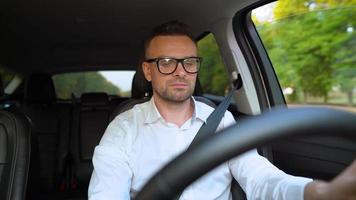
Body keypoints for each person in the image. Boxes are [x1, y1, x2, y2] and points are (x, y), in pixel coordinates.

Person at [88, 21, 356, 200]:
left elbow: (261, 178)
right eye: (167, 62)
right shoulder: (123, 128)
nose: (181, 71)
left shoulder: (221, 120)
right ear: (147, 70)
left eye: (189, 62)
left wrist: (322, 192)